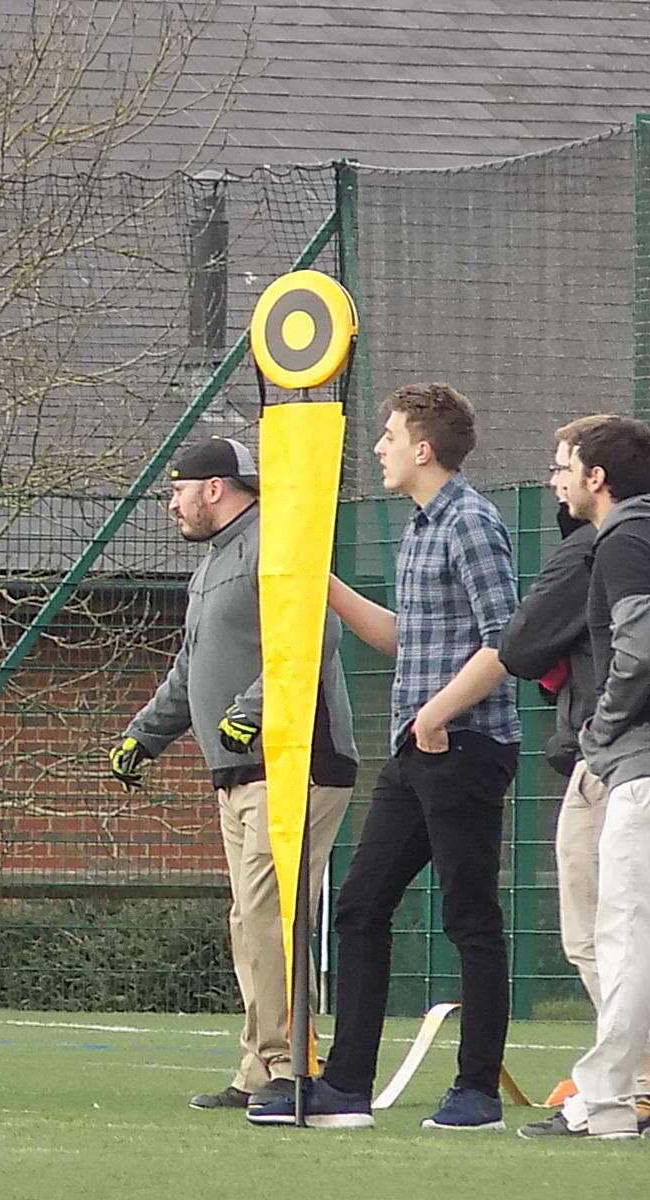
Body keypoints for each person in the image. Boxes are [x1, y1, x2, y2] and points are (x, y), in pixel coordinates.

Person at [252, 382, 521, 1131]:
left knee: (469, 917)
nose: (379, 449)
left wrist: (437, 715)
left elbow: (505, 641)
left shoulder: (471, 523)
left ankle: (477, 1092)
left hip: (464, 746)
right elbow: (410, 639)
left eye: (391, 436)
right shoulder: (419, 529)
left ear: (424, 449)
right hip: (414, 748)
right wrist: (322, 584)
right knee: (361, 906)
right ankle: (345, 1086)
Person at [108, 436, 357, 1119]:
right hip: (240, 771)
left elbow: (315, 634)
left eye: (177, 490)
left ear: (214, 487)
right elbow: (191, 666)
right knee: (250, 919)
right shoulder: (216, 562)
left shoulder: (276, 541)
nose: (171, 504)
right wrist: (145, 734)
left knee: (271, 917)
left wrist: (253, 709)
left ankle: (290, 1067)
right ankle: (259, 1065)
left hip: (295, 761)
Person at [497, 415, 650, 1114]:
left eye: (563, 466)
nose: (555, 480)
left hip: (625, 761)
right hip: (615, 758)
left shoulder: (619, 538)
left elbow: (632, 651)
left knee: (615, 935)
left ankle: (621, 1094)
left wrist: (602, 726)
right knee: (609, 935)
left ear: (597, 476)